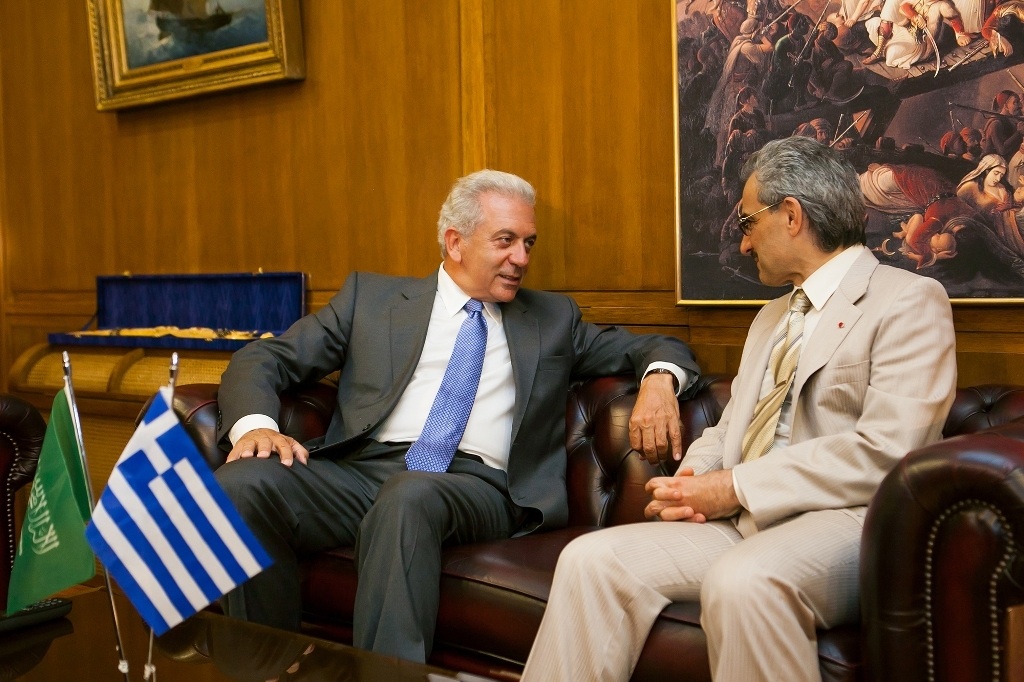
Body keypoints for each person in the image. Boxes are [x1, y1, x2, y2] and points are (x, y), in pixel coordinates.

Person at [213, 169, 701, 664]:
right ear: (455, 242)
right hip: (361, 473)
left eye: (528, 243)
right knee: (242, 484)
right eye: (505, 241)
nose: (522, 259)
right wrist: (256, 427)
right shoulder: (372, 301)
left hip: (479, 486)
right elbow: (264, 358)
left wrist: (660, 380)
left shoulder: (552, 319)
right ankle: (262, 669)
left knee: (409, 497)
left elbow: (657, 345)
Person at [521, 136, 957, 682]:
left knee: (742, 581)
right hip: (744, 520)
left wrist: (734, 487)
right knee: (590, 560)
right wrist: (690, 482)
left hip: (851, 524)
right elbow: (731, 427)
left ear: (791, 216)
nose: (744, 244)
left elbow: (890, 450)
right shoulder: (771, 317)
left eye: (748, 222)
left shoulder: (909, 300)